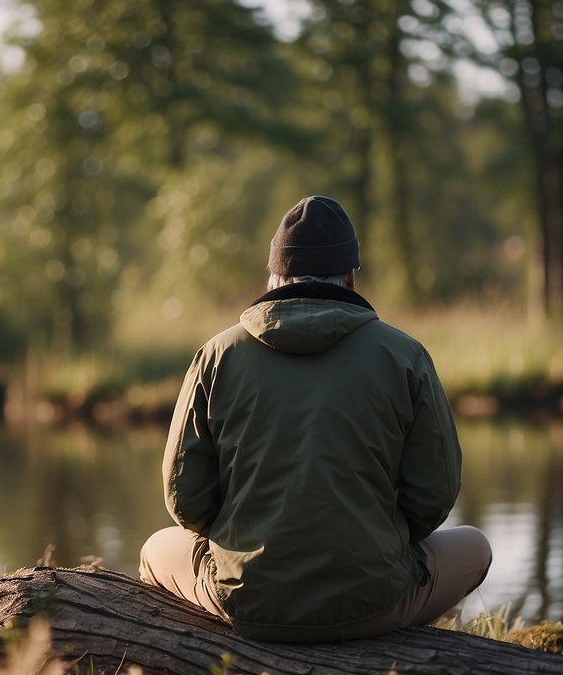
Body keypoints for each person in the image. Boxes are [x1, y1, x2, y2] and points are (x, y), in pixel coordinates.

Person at [139, 195, 490, 643]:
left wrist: (241, 540)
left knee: (154, 548)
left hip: (248, 604)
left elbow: (184, 499)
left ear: (275, 274)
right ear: (349, 276)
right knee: (476, 547)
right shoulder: (404, 354)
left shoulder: (217, 356)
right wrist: (380, 539)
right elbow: (435, 493)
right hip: (373, 600)